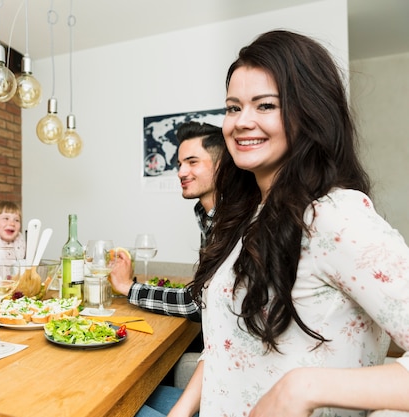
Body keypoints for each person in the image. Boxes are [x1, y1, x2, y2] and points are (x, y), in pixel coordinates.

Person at [143, 30, 409, 417]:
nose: (241, 122)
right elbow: (227, 344)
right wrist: (180, 413)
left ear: (310, 110)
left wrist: (301, 388)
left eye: (265, 105)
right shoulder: (246, 216)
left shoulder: (335, 216)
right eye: (233, 108)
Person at [110, 121, 225, 322]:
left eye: (192, 162)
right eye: (180, 164)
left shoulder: (231, 221)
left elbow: (197, 303)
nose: (180, 173)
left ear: (221, 165)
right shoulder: (208, 216)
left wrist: (128, 287)